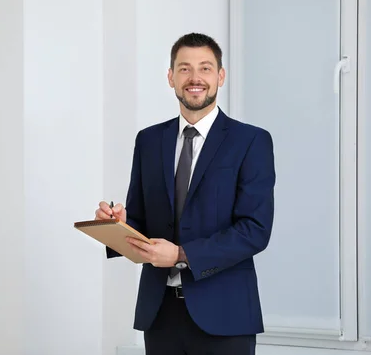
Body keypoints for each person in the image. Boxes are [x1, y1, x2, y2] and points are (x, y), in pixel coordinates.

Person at [95, 32, 275, 355]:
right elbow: (142, 222)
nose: (195, 78)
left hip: (226, 317)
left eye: (205, 68)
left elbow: (254, 231)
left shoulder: (250, 142)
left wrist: (180, 254)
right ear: (170, 77)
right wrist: (116, 226)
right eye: (184, 69)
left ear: (221, 76)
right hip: (160, 315)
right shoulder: (148, 141)